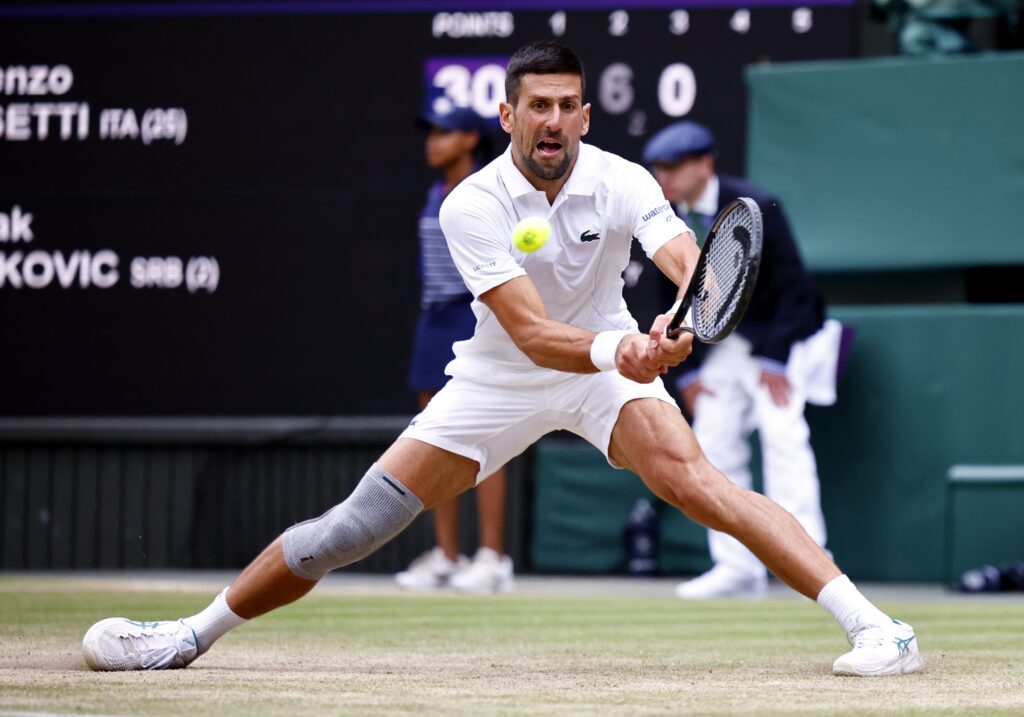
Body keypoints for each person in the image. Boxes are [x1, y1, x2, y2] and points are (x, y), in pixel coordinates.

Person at [81, 41, 922, 678]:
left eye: (568, 105)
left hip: (605, 377)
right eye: (538, 107)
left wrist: (681, 317)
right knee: (354, 526)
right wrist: (621, 346)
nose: (554, 120)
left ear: (586, 116)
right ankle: (189, 635)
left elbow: (682, 259)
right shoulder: (471, 205)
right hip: (502, 376)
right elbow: (526, 332)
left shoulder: (625, 179)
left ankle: (877, 628)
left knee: (705, 486)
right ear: (509, 117)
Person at [641, 121, 842, 601]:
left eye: (673, 167)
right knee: (711, 438)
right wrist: (686, 374)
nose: (662, 176)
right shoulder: (663, 218)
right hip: (724, 348)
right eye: (658, 168)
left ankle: (811, 562)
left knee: (783, 435)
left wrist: (774, 361)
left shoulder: (756, 206)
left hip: (780, 340)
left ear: (704, 165)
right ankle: (737, 567)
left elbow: (796, 288)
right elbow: (667, 296)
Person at [397, 106, 514, 593]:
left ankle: (493, 560)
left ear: (470, 139)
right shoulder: (433, 194)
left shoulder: (488, 193)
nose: (432, 142)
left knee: (489, 441)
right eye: (431, 132)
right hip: (433, 322)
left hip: (477, 314)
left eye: (443, 133)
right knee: (435, 439)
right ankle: (447, 557)